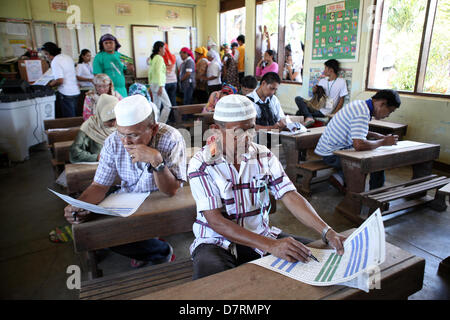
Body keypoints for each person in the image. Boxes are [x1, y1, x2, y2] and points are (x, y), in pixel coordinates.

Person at [187, 94, 346, 279]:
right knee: (212, 283)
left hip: (261, 235)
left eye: (251, 129)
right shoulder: (202, 163)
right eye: (239, 131)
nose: (248, 137)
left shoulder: (263, 155)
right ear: (216, 130)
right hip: (216, 241)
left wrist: (327, 231)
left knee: (317, 257)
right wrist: (271, 245)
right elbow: (216, 221)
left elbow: (290, 195)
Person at [63, 94, 187, 268]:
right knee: (97, 231)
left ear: (154, 128)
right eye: (121, 134)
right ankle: (152, 248)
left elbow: (170, 191)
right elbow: (99, 185)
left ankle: (159, 251)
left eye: (134, 135)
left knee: (114, 234)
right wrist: (79, 204)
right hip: (129, 198)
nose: (126, 142)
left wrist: (156, 161)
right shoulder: (114, 142)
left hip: (160, 198)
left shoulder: (170, 138)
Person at [315, 89, 401, 193]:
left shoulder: (360, 104)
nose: (388, 115)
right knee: (376, 160)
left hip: (329, 150)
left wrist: (377, 136)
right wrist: (384, 142)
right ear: (382, 104)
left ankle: (340, 177)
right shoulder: (362, 112)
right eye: (390, 111)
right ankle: (375, 193)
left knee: (372, 149)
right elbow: (359, 145)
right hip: (331, 155)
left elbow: (357, 130)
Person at [295, 59, 348, 127]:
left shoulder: (341, 82)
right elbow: (316, 98)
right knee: (298, 99)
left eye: (325, 68)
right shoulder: (323, 81)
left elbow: (341, 100)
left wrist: (334, 113)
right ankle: (309, 119)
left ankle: (306, 121)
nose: (324, 70)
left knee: (299, 112)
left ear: (331, 70)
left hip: (325, 112)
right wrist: (314, 91)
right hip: (316, 107)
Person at [70, 94, 117, 163]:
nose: (114, 124)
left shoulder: (122, 125)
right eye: (110, 120)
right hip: (96, 166)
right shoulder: (89, 126)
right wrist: (96, 157)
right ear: (100, 115)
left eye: (116, 119)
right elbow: (75, 151)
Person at [41, 42, 80, 118]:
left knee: (69, 118)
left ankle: (72, 130)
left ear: (48, 53)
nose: (46, 57)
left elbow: (60, 80)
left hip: (66, 93)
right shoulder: (67, 57)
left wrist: (49, 85)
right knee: (75, 117)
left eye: (46, 55)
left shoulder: (55, 61)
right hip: (75, 91)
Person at [93, 34, 133, 98]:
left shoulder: (120, 56)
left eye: (111, 42)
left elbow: (131, 63)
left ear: (115, 44)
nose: (108, 45)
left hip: (122, 89)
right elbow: (97, 76)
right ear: (102, 45)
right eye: (106, 43)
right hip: (108, 91)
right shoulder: (98, 57)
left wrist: (131, 66)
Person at [148, 41, 172, 124]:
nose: (165, 50)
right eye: (164, 48)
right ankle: (161, 123)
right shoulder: (159, 58)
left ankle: (155, 123)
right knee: (168, 105)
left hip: (153, 84)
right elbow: (158, 72)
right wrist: (161, 86)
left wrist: (150, 85)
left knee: (156, 106)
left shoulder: (153, 58)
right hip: (158, 84)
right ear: (160, 48)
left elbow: (150, 73)